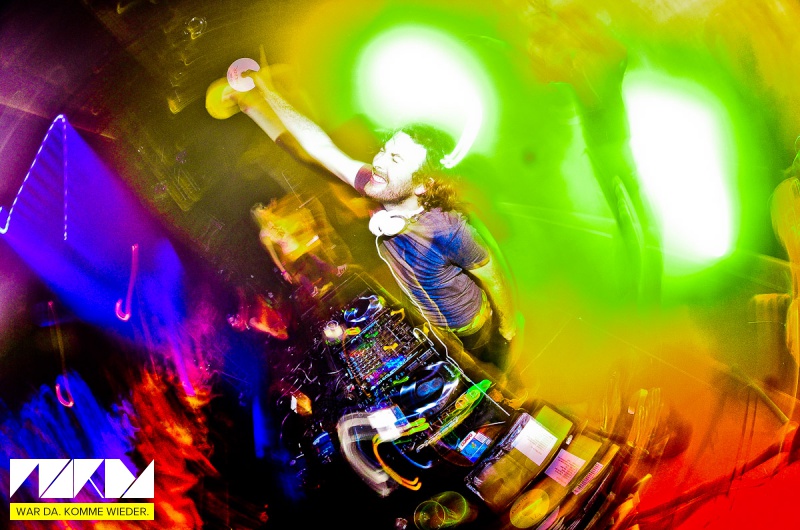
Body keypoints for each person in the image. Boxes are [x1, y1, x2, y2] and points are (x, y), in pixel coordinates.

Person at [224, 59, 523, 393]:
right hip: (435, 328)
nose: (378, 162)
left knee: (500, 388)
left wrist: (507, 331)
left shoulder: (448, 228)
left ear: (422, 185)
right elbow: (316, 147)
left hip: (471, 328)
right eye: (384, 150)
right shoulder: (377, 182)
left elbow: (493, 275)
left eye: (395, 159)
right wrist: (267, 94)